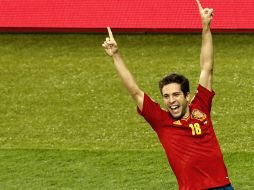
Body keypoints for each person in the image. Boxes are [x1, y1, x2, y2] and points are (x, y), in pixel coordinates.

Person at [102, 0, 233, 189]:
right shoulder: (161, 121)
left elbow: (207, 67)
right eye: (166, 96)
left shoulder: (201, 105)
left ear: (187, 96)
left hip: (223, 186)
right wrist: (115, 55)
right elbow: (134, 91)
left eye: (176, 95)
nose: (171, 101)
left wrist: (205, 28)